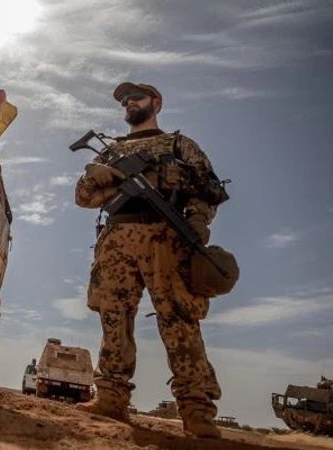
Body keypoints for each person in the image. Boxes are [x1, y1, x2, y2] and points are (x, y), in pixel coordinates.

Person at [75, 82, 226, 439]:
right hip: (116, 239)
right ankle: (110, 396)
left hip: (166, 236)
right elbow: (83, 198)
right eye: (125, 100)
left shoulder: (179, 144)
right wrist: (97, 177)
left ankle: (196, 408)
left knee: (179, 319)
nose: (129, 103)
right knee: (113, 316)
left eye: (136, 98)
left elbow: (208, 189)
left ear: (156, 103)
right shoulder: (109, 150)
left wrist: (198, 220)